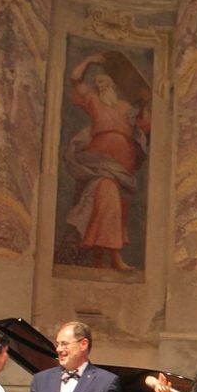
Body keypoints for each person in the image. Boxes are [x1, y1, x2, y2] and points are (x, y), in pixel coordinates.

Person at [65, 52, 151, 271]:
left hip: (124, 163)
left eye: (103, 82)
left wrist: (145, 102)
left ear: (112, 85)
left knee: (118, 206)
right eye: (97, 83)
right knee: (107, 196)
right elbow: (75, 78)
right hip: (100, 161)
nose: (100, 86)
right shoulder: (93, 101)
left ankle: (98, 256)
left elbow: (146, 125)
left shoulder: (124, 107)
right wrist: (88, 60)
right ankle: (114, 254)